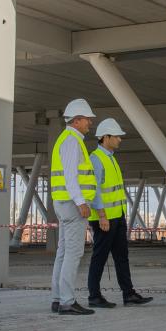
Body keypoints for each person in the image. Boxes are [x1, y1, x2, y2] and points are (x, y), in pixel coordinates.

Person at [86, 118, 152, 308]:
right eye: (117, 137)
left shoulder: (110, 158)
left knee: (122, 256)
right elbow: (95, 190)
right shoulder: (96, 159)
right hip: (104, 218)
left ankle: (128, 293)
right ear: (106, 137)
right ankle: (94, 296)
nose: (120, 140)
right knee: (99, 256)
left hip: (117, 216)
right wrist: (102, 216)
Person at [49, 98, 97, 316]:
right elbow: (71, 176)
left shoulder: (67, 139)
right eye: (87, 119)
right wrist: (81, 202)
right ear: (77, 120)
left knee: (63, 252)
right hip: (72, 204)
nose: (90, 123)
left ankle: (58, 298)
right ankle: (67, 301)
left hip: (64, 203)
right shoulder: (71, 141)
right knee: (73, 252)